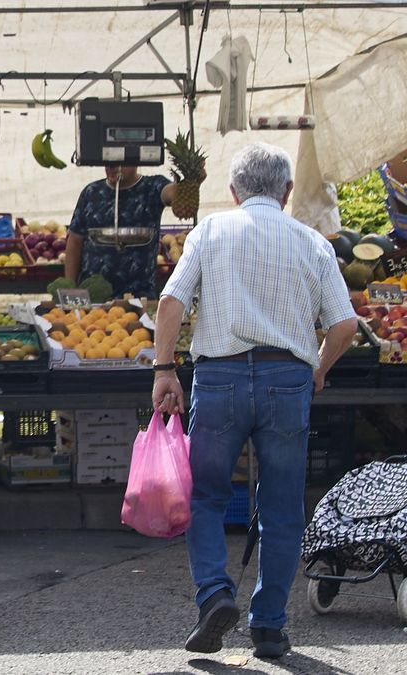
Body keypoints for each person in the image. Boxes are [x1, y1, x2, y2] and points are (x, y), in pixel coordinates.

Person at [152, 142, 357, 659]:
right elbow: (346, 324)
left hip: (218, 378)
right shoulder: (312, 242)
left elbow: (171, 302)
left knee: (207, 497)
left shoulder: (211, 231)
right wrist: (317, 366)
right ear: (287, 192)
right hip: (287, 378)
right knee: (283, 507)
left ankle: (215, 594)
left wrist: (164, 369)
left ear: (233, 191)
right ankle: (268, 627)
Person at [65, 165, 178, 298]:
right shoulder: (91, 192)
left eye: (121, 162)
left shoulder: (152, 187)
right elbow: (75, 241)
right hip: (93, 298)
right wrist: (70, 288)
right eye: (108, 161)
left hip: (139, 296)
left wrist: (191, 182)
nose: (113, 167)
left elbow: (171, 194)